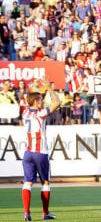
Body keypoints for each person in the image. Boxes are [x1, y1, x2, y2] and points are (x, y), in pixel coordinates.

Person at [21, 78, 61, 221]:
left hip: (28, 153)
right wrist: (49, 88)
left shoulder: (25, 113)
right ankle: (45, 213)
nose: (42, 102)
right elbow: (57, 102)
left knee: (27, 182)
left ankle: (27, 213)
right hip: (40, 153)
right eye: (40, 100)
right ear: (36, 102)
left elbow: (27, 98)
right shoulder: (40, 113)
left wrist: (34, 88)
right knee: (45, 182)